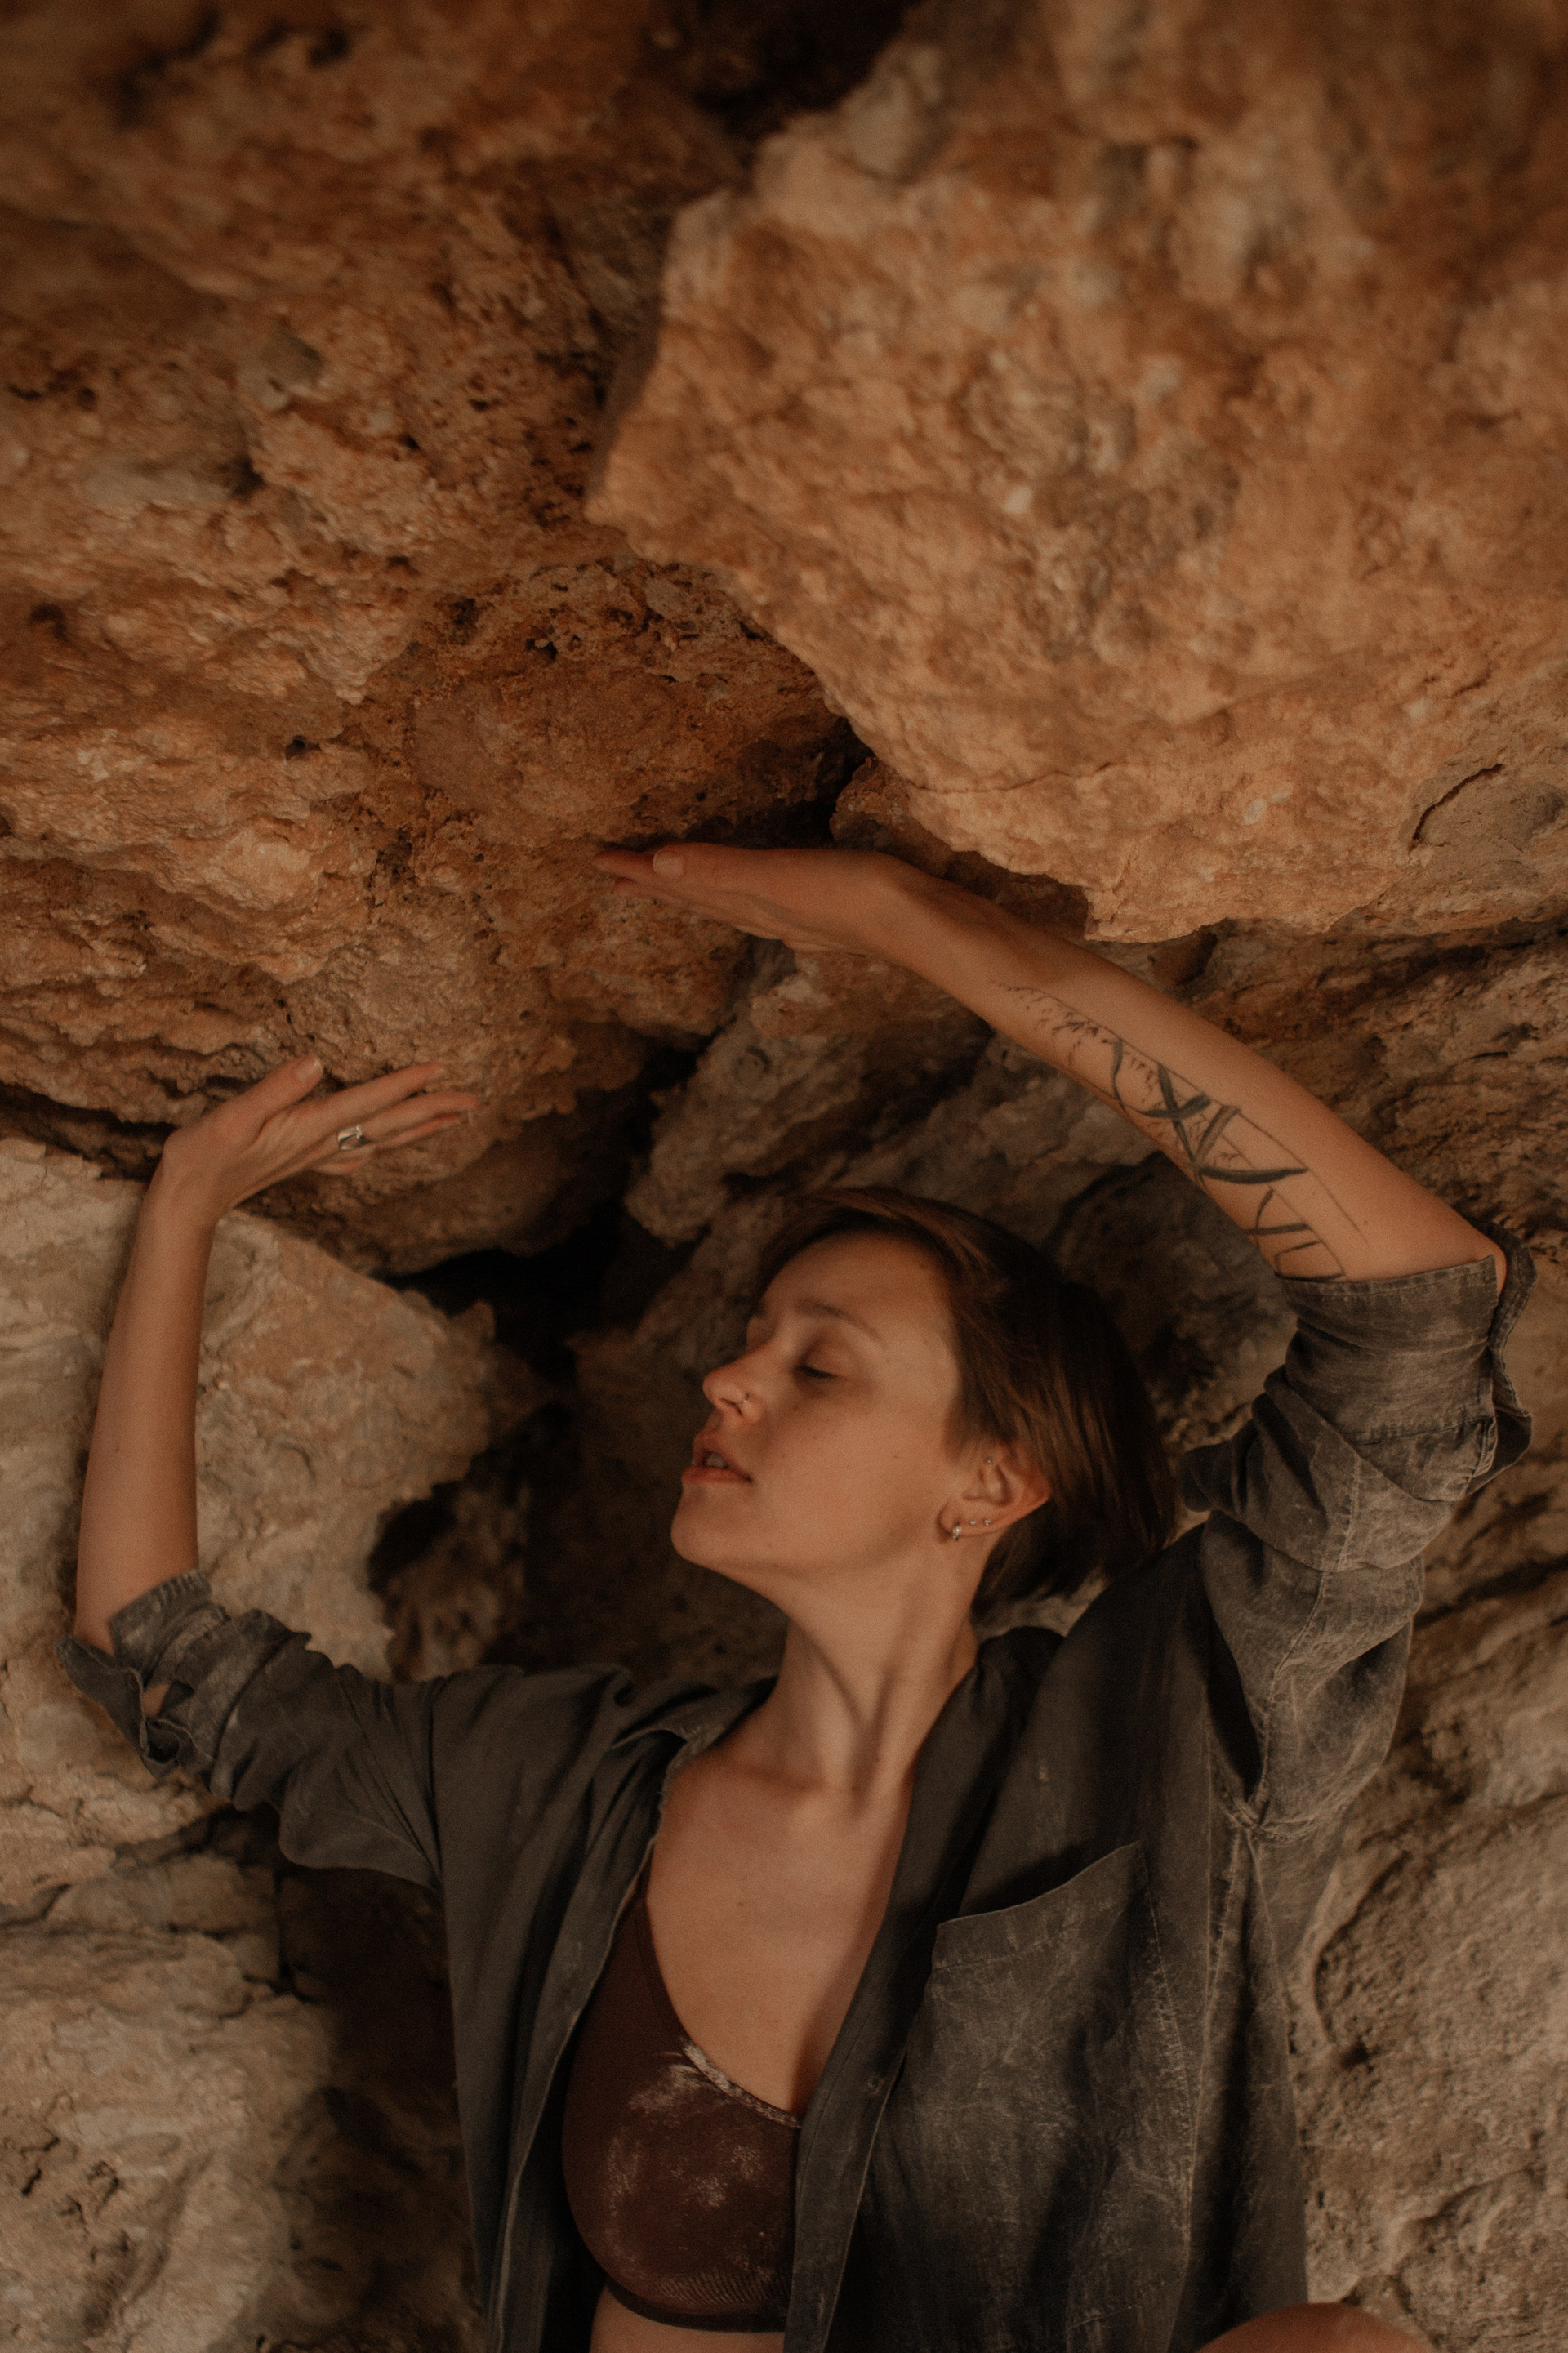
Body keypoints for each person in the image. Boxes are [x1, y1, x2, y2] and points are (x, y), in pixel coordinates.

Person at [63, 844, 1530, 2353]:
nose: (727, 1378)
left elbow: (1417, 1316)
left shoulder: (1173, 1743)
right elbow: (165, 1658)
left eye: (818, 1363)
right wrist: (185, 1209)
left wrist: (918, 925)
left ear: (994, 1481)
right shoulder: (557, 1783)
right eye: (751, 1338)